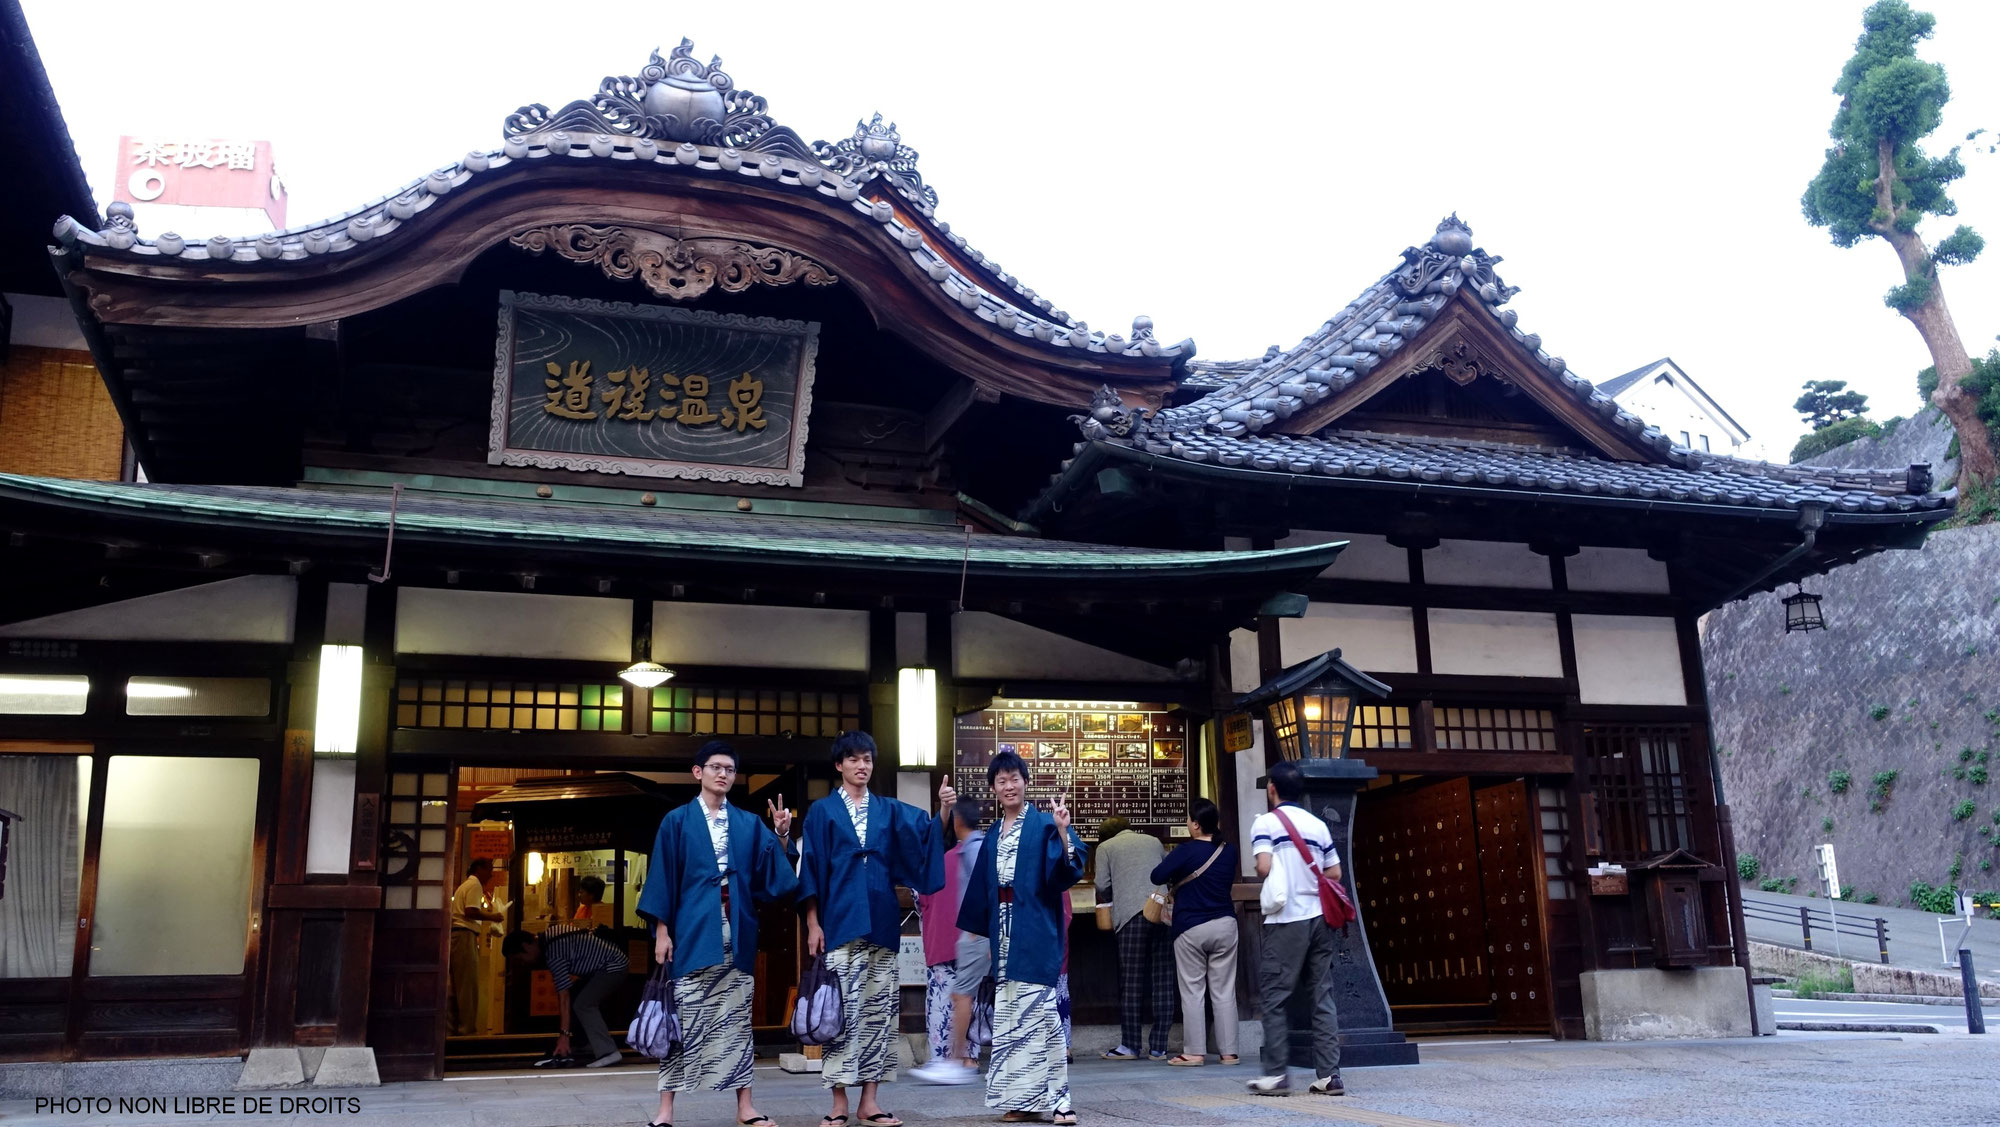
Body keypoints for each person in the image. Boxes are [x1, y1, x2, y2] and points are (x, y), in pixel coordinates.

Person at [637, 740, 799, 1127]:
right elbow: (664, 878)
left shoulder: (747, 822)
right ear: (698, 772)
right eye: (715, 767)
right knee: (681, 1017)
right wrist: (662, 931)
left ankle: (745, 1108)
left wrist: (779, 836)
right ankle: (665, 1110)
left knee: (737, 1019)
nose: (723, 774)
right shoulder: (676, 821)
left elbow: (774, 880)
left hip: (737, 926)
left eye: (729, 768)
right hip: (692, 929)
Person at [797, 731, 954, 1127]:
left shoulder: (888, 809)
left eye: (867, 759)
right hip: (838, 922)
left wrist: (944, 812)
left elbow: (924, 836)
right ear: (839, 765)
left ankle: (870, 1101)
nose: (862, 765)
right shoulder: (821, 812)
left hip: (882, 922)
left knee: (878, 1013)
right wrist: (813, 923)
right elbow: (812, 867)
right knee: (838, 1012)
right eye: (853, 759)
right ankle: (838, 1102)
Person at [957, 750, 1087, 1126]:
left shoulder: (1046, 823)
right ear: (994, 789)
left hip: (1034, 929)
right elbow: (982, 883)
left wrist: (1063, 832)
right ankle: (1021, 1100)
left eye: (1015, 778)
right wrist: (974, 930)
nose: (1009, 786)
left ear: (1025, 782)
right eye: (1001, 781)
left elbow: (1069, 869)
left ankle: (1060, 1101)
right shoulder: (995, 832)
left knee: (1043, 1016)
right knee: (1012, 1021)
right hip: (1003, 931)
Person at [1246, 760, 1345, 1097]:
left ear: (1272, 788)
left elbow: (1263, 866)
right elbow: (1334, 874)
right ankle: (1330, 1075)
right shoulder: (1317, 825)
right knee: (1321, 995)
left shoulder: (1266, 823)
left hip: (1287, 918)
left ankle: (1275, 1075)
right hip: (1320, 916)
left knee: (1274, 997)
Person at [1150, 798, 1240, 1066]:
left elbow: (1156, 876)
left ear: (1197, 824)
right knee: (1224, 990)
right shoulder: (1230, 851)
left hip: (1191, 926)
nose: (1188, 824)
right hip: (1225, 923)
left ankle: (1194, 1052)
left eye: (1189, 820)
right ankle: (1229, 1052)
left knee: (1193, 990)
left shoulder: (1186, 851)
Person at [910, 798, 986, 1085]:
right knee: (971, 999)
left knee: (944, 1002)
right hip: (972, 938)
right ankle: (969, 1056)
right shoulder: (983, 851)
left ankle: (944, 1059)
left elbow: (921, 902)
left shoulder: (937, 865)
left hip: (946, 941)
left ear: (955, 823)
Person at [1091, 816, 1170, 1061]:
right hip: (1161, 912)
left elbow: (1101, 884)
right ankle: (1159, 1047)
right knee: (1163, 979)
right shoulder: (1154, 841)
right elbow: (1166, 872)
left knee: (1132, 982)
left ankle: (1131, 1045)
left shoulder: (1105, 847)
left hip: (1131, 916)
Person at [502, 920, 630, 1069]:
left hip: (613, 966)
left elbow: (563, 997)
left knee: (583, 1004)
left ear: (525, 947)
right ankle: (585, 1044)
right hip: (608, 964)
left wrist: (563, 1036)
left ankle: (608, 1052)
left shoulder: (553, 951)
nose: (523, 963)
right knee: (577, 995)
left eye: (519, 959)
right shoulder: (551, 934)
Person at [449, 858, 504, 1035]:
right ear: (479, 869)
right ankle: (466, 1029)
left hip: (457, 935)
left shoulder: (464, 886)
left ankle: (454, 1028)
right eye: (489, 869)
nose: (491, 874)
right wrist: (493, 916)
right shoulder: (475, 885)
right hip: (464, 935)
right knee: (467, 985)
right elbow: (470, 911)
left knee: (457, 985)